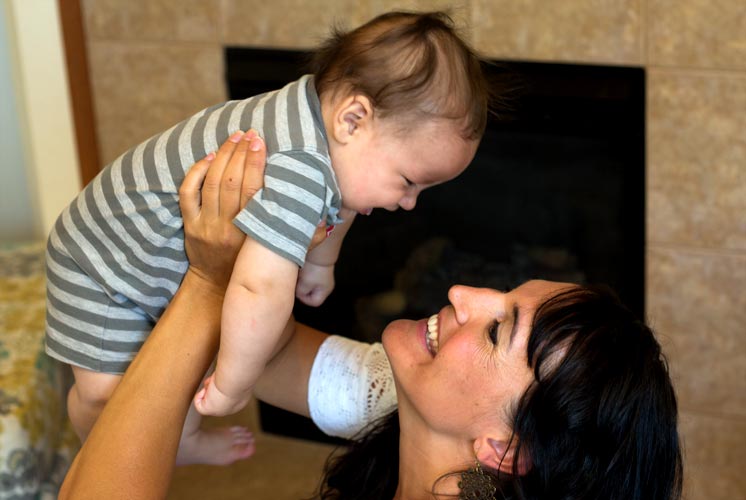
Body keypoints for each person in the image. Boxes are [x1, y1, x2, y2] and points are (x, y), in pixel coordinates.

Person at [59, 135, 682, 500]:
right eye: (503, 293)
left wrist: (206, 280)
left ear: (501, 448)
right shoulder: (396, 401)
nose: (464, 292)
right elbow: (268, 353)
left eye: (498, 330)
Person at [44, 10, 489, 464]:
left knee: (165, 375)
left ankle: (182, 438)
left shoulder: (321, 123)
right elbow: (258, 287)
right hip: (101, 264)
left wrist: (320, 262)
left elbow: (345, 203)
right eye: (409, 181)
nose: (411, 202)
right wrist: (231, 385)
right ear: (353, 120)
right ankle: (102, 464)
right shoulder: (301, 166)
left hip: (152, 266)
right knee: (105, 393)